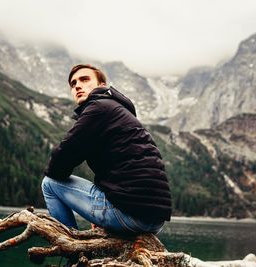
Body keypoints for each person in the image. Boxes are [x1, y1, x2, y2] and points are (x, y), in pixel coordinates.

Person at [41, 64, 171, 234]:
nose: (77, 86)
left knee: (50, 183)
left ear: (101, 86)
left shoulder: (99, 108)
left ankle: (69, 250)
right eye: (73, 84)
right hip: (154, 221)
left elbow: (62, 158)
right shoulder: (117, 110)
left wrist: (99, 208)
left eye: (84, 79)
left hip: (128, 214)